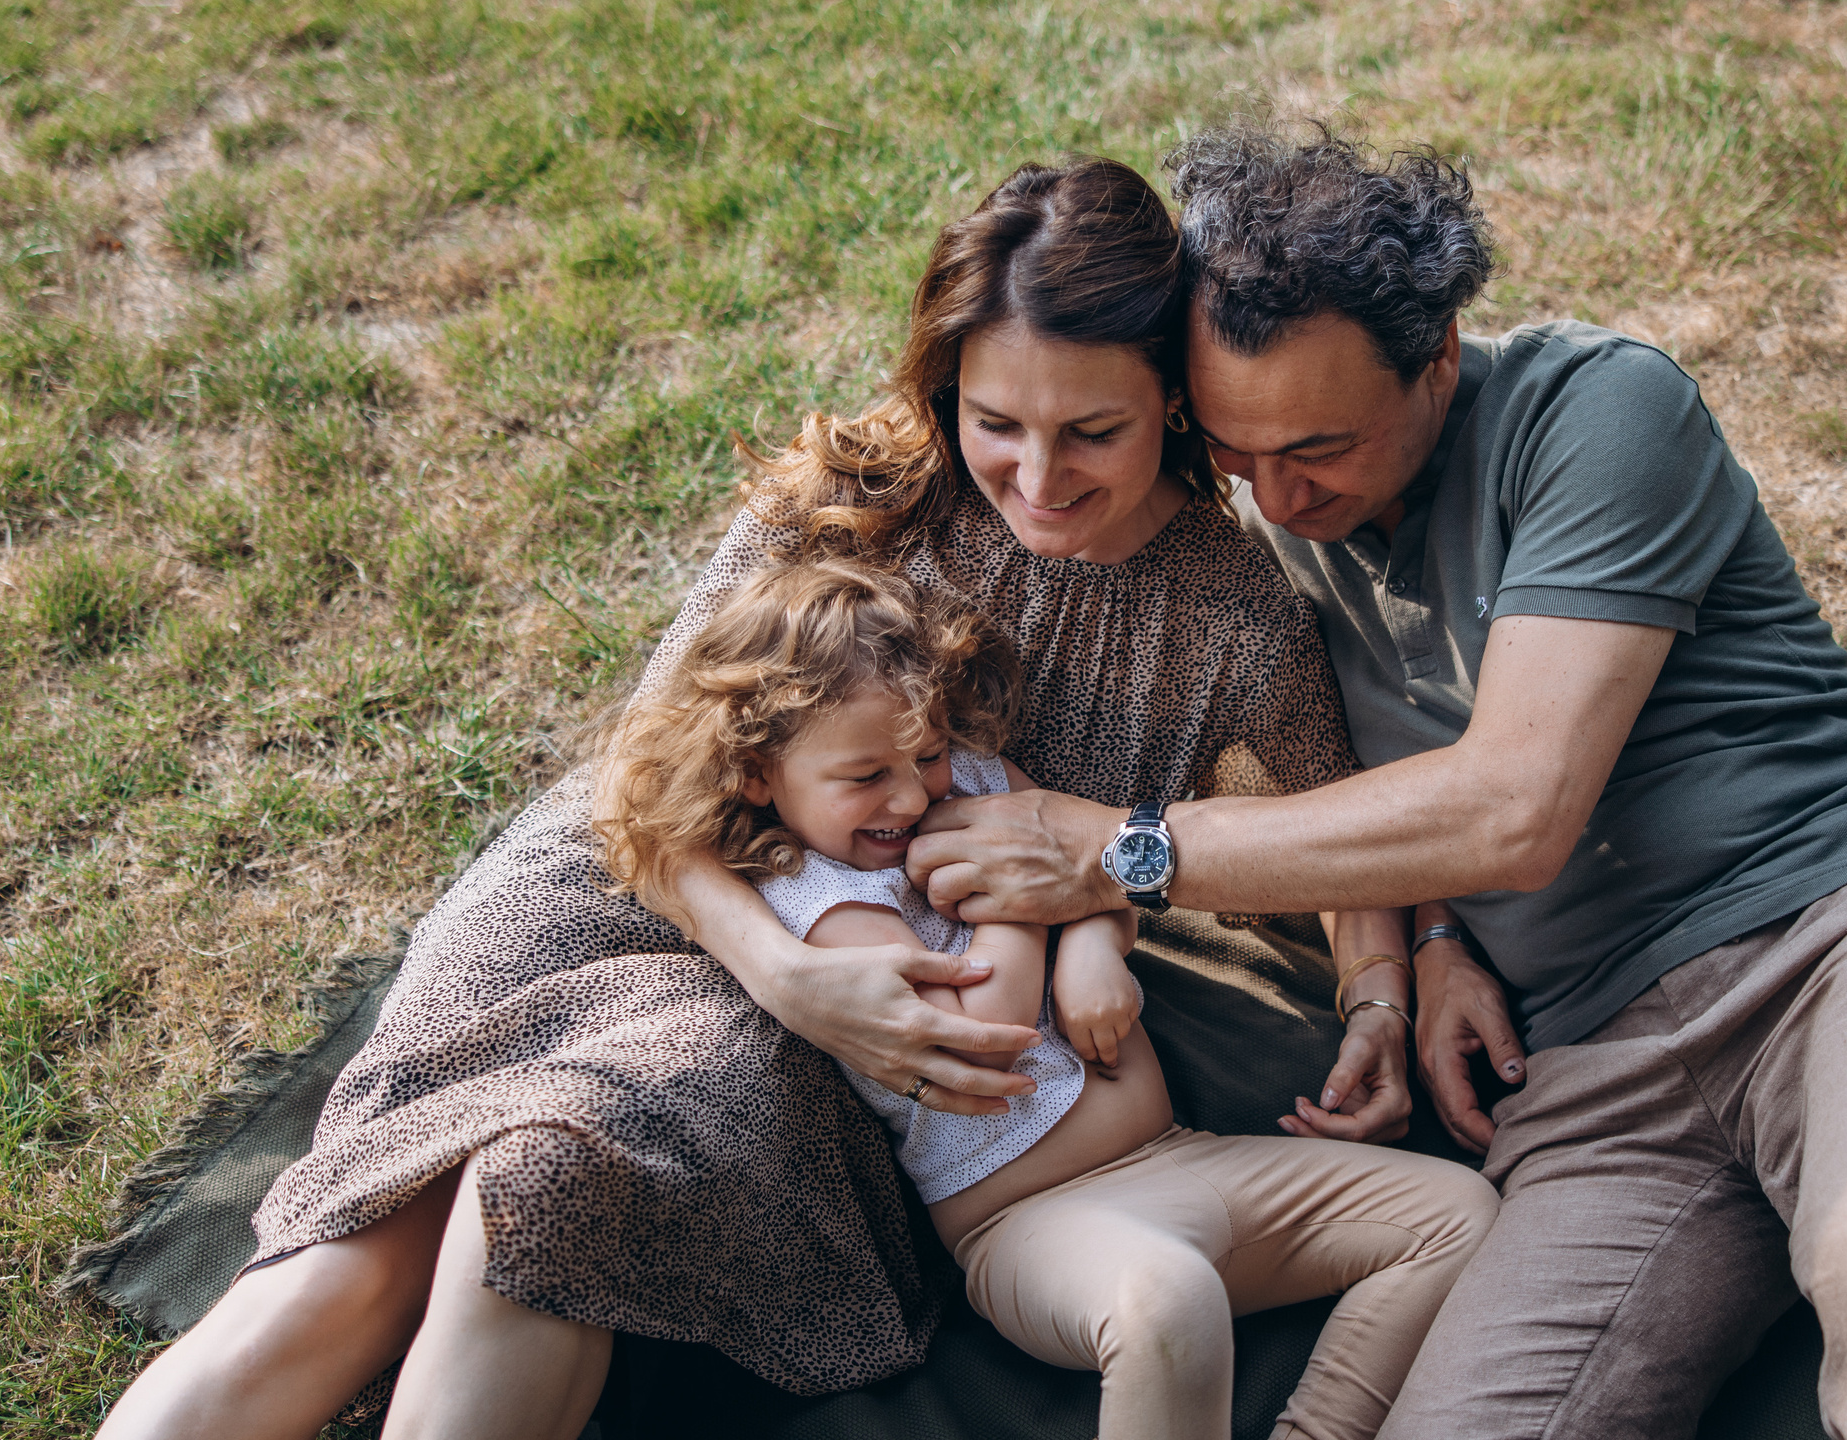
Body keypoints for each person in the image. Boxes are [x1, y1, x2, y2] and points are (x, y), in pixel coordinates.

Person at [96, 157, 1430, 1440]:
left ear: (1175, 409)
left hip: (855, 981)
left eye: (1093, 432)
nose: (1033, 476)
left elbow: (1338, 819)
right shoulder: (857, 504)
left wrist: (1382, 985)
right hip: (646, 887)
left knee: (545, 1185)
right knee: (359, 1260)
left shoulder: (1233, 617)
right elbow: (643, 772)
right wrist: (783, 972)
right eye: (995, 423)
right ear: (946, 383)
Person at [909, 122, 1847, 1440]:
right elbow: (1399, 785)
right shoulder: (1280, 544)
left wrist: (1126, 848)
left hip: (1841, 937)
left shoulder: (1601, 408)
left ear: (1437, 361)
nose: (1278, 500)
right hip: (1592, 1070)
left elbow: (1514, 806)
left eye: (1319, 450)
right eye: (1236, 456)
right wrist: (1444, 937)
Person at [595, 555, 1493, 1440]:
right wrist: (1029, 910)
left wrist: (1094, 946)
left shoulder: (979, 779)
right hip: (1029, 1223)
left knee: (1458, 1218)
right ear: (761, 777)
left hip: (1181, 1158)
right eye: (867, 776)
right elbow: (981, 1032)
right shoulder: (813, 896)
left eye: (929, 752)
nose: (912, 794)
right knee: (1167, 1303)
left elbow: (1098, 880)